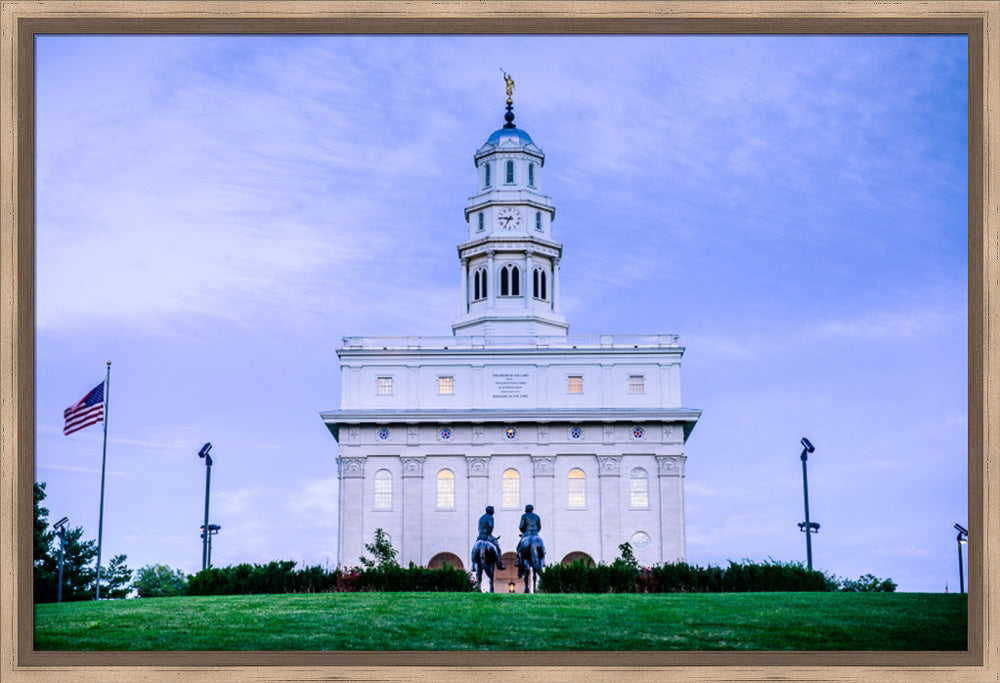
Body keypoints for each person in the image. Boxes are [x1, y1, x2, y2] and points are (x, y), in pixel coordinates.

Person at [477, 505, 505, 570]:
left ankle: (473, 565)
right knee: (498, 549)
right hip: (487, 536)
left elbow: (478, 528)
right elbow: (491, 526)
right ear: (491, 511)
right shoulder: (490, 517)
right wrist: (490, 535)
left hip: (480, 536)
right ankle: (499, 563)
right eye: (493, 510)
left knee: (474, 550)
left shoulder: (481, 518)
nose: (494, 512)